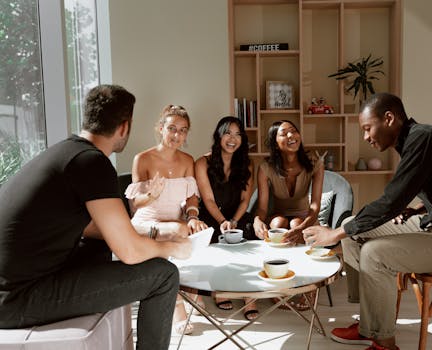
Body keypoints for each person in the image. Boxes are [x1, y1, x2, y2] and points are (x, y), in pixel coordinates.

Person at [302, 93, 432, 350]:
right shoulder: (414, 141)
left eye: (367, 128)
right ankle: (370, 325)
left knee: (373, 252)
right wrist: (416, 208)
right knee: (354, 231)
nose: (365, 137)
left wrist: (335, 234)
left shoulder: (423, 138)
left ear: (388, 118)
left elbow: (391, 200)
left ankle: (384, 344)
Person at [0, 85, 191, 350]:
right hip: (17, 299)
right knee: (164, 275)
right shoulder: (93, 163)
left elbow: (94, 229)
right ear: (124, 127)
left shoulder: (67, 154)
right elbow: (130, 253)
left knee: (98, 247)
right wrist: (172, 248)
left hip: (15, 287)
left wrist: (155, 234)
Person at [125, 104, 207, 335]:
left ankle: (191, 291)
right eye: (172, 128)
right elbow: (135, 204)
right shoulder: (142, 159)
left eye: (183, 130)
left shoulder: (187, 160)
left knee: (196, 230)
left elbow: (192, 199)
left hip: (176, 224)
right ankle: (178, 307)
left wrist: (192, 217)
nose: (177, 135)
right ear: (160, 128)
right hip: (147, 223)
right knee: (179, 232)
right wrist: (151, 194)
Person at [253, 119, 324, 311]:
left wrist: (302, 226)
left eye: (294, 131)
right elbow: (261, 207)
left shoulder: (314, 162)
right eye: (284, 133)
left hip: (305, 216)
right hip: (279, 214)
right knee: (277, 222)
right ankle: (280, 285)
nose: (291, 136)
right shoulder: (266, 167)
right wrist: (257, 220)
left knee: (296, 225)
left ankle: (306, 285)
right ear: (275, 142)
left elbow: (315, 205)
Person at [195, 116, 258, 320]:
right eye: (228, 133)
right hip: (212, 214)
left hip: (236, 214)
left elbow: (244, 201)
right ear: (218, 136)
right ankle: (221, 289)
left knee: (251, 238)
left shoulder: (247, 164)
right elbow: (208, 199)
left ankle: (250, 295)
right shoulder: (202, 162)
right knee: (213, 239)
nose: (233, 138)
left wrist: (234, 221)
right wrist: (223, 221)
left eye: (238, 134)